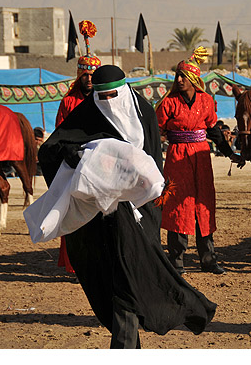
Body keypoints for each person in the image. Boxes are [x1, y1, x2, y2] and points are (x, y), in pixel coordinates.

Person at [33, 64, 216, 349]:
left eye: (111, 96)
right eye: (100, 96)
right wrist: (68, 153)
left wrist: (146, 205)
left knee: (127, 277)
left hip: (136, 213)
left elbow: (153, 164)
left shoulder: (142, 112)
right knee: (109, 278)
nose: (106, 103)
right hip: (97, 217)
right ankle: (129, 343)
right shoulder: (88, 112)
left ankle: (127, 344)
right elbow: (52, 148)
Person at [156, 46, 244, 275]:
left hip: (202, 157)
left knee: (203, 205)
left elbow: (213, 130)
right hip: (177, 158)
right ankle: (176, 260)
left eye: (183, 76)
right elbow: (156, 132)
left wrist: (229, 153)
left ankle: (208, 259)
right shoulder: (168, 103)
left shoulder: (206, 101)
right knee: (177, 206)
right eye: (178, 75)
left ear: (194, 79)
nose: (179, 79)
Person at [55, 20, 101, 277]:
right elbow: (60, 134)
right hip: (74, 163)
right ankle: (74, 264)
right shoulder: (68, 101)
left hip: (98, 164)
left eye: (93, 75)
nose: (89, 79)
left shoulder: (104, 101)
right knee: (72, 211)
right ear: (78, 75)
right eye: (85, 74)